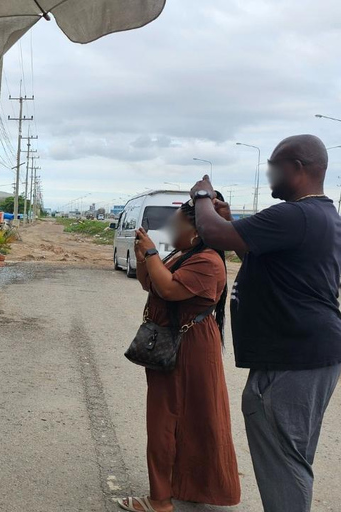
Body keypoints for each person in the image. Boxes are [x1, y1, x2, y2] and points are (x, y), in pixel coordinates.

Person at [190, 134, 341, 512]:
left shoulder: (296, 214)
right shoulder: (318, 215)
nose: (270, 173)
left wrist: (203, 197)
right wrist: (231, 223)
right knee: (283, 449)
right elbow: (249, 249)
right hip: (299, 353)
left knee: (285, 457)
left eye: (274, 165)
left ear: (298, 168)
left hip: (296, 356)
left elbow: (212, 233)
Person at [119, 197, 241, 512]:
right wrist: (144, 257)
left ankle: (160, 500)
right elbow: (153, 285)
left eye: (177, 223)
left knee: (166, 420)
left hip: (188, 348)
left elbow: (171, 290)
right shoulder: (185, 253)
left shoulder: (208, 261)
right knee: (184, 417)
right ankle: (185, 487)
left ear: (197, 232)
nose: (169, 228)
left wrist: (150, 253)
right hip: (179, 343)